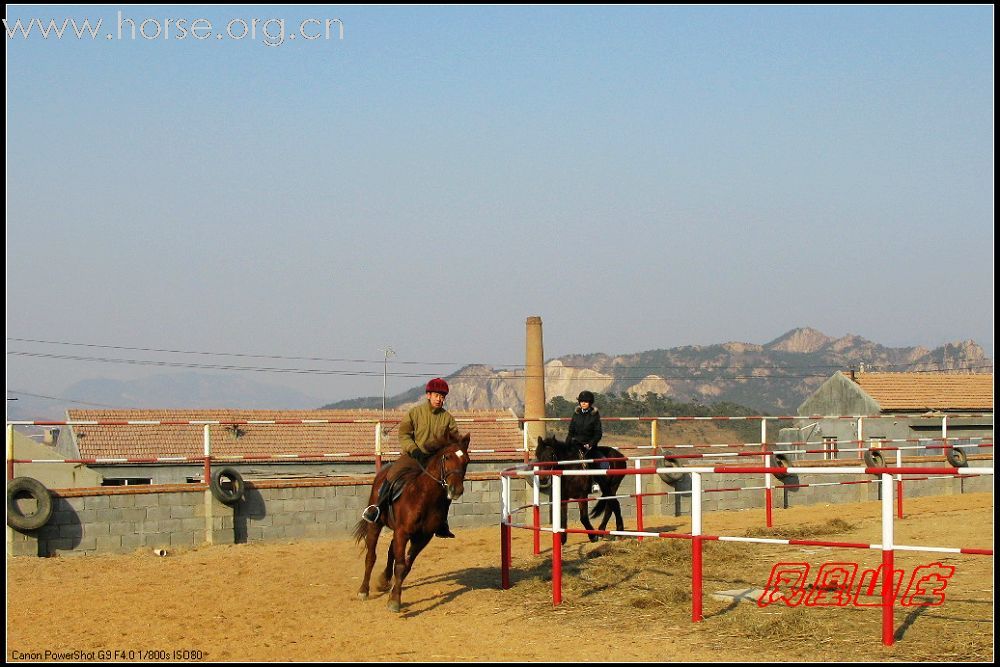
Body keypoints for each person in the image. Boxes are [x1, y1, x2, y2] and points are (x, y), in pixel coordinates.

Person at [362, 378, 460, 538]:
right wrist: (414, 450)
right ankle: (377, 508)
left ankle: (442, 521)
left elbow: (454, 440)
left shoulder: (448, 418)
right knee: (392, 473)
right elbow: (404, 434)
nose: (439, 399)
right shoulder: (415, 413)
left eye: (442, 396)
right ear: (428, 395)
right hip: (413, 456)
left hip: (435, 461)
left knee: (449, 485)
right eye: (436, 395)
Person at [568, 390, 604, 494]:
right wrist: (567, 444)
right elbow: (571, 431)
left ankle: (594, 482)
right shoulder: (576, 414)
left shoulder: (594, 415)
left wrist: (591, 444)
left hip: (589, 445)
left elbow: (598, 433)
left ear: (590, 403)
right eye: (581, 401)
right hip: (576, 444)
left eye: (586, 401)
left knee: (590, 460)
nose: (583, 403)